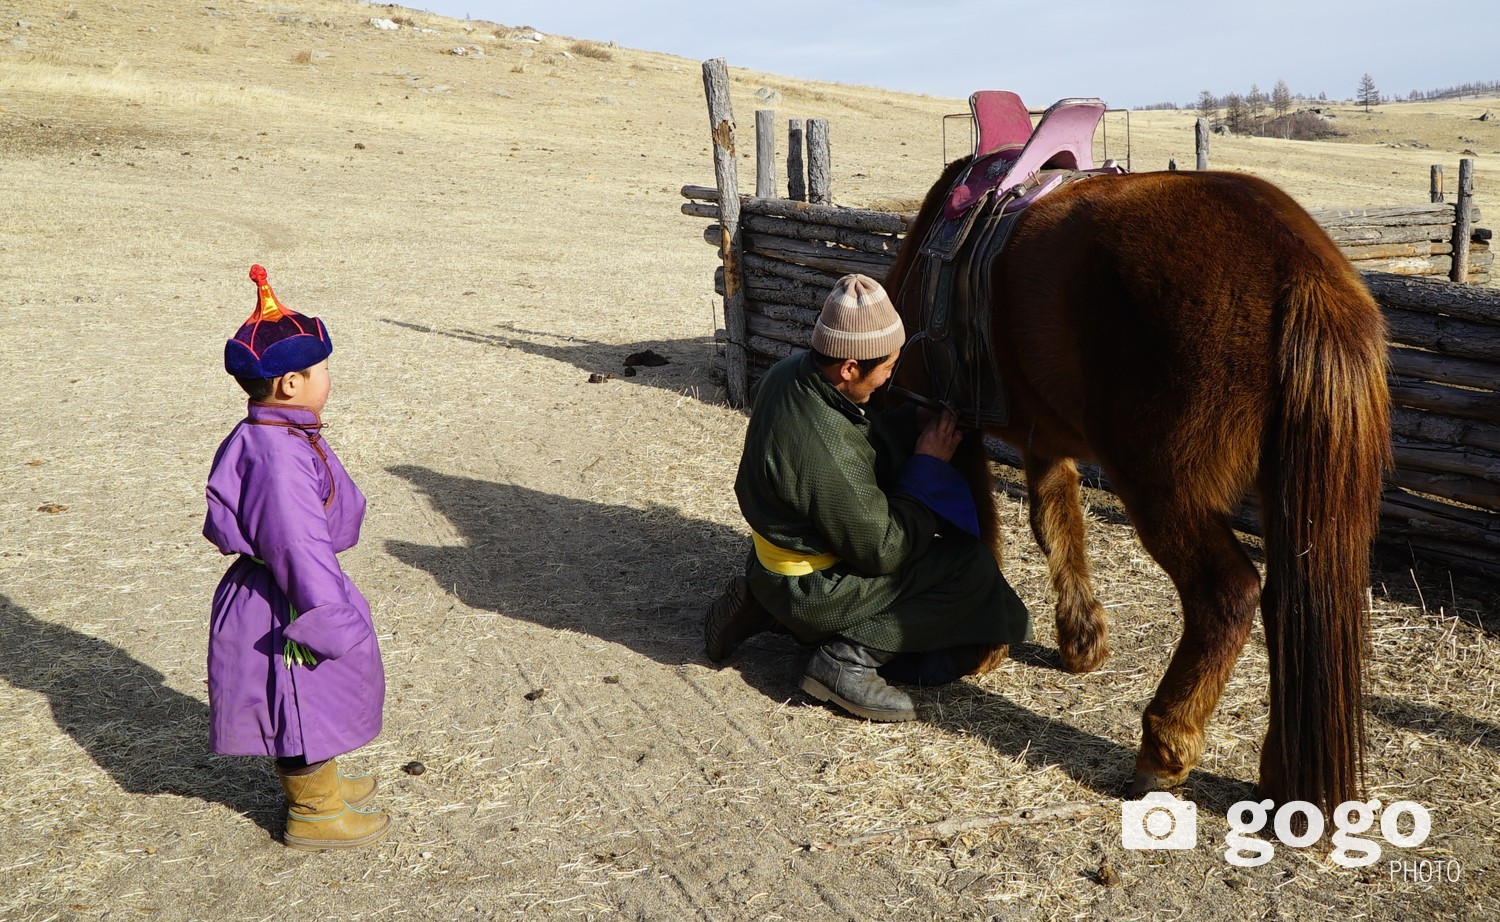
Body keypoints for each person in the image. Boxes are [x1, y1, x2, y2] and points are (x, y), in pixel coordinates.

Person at [706, 274, 1030, 721]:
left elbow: (859, 441)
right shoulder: (826, 447)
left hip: (770, 564)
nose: (890, 377)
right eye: (887, 368)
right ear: (849, 367)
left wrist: (908, 424)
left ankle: (764, 606)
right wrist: (927, 467)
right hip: (811, 588)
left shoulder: (792, 372)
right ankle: (846, 659)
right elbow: (883, 550)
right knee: (968, 568)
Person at [203, 265, 390, 850]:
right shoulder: (279, 457)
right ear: (288, 383)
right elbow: (296, 542)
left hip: (289, 586)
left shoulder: (276, 432)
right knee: (298, 697)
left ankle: (323, 784)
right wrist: (328, 614)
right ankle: (314, 814)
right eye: (322, 369)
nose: (328, 379)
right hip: (289, 598)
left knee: (313, 697)